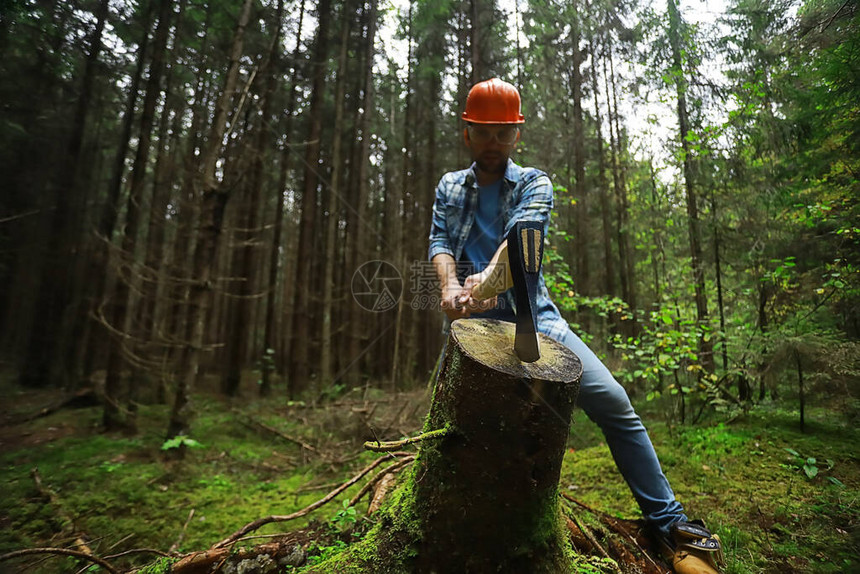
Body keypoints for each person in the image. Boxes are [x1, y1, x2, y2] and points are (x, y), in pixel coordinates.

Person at [427, 77, 724, 574]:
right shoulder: (450, 187)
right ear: (468, 133)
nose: (494, 143)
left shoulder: (534, 182)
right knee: (443, 422)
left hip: (534, 320)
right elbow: (439, 241)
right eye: (484, 132)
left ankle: (669, 521)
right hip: (468, 331)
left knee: (615, 404)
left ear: (516, 135)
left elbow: (524, 237)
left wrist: (488, 281)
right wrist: (449, 286)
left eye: (504, 133)